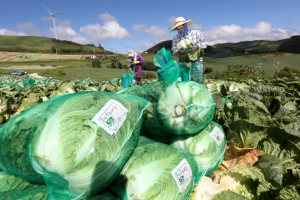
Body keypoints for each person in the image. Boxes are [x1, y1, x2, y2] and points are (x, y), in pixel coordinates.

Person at [170, 16, 207, 83]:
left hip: (197, 62)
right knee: (185, 82)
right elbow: (173, 50)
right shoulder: (175, 38)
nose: (180, 30)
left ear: (185, 25)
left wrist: (197, 46)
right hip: (183, 63)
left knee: (197, 81)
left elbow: (204, 44)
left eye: (182, 28)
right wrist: (178, 52)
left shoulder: (196, 33)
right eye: (178, 29)